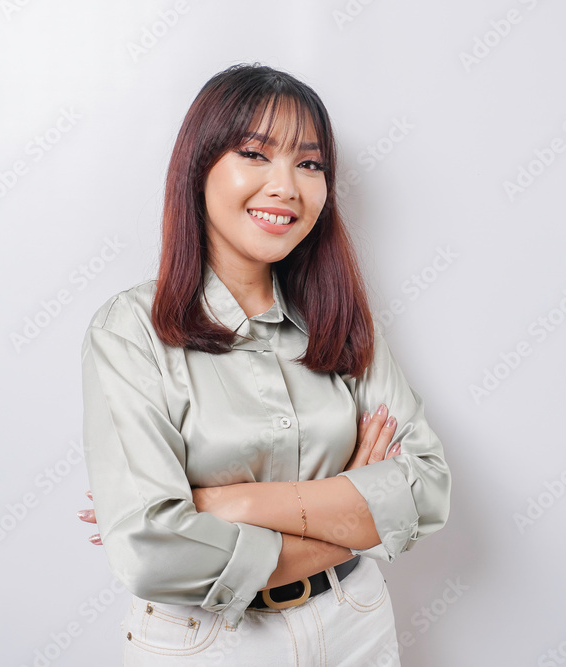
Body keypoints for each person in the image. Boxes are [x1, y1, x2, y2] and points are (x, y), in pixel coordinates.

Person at [76, 63, 451, 666]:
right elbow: (152, 551)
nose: (286, 187)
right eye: (254, 154)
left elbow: (427, 488)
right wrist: (350, 511)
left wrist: (228, 504)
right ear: (199, 167)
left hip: (355, 622)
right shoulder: (129, 331)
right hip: (206, 643)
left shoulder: (341, 319)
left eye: (310, 164)